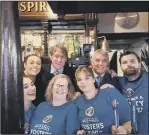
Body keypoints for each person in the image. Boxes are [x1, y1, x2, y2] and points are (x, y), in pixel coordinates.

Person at [75, 66, 131, 134]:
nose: (83, 82)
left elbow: (129, 122)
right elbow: (78, 129)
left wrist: (124, 130)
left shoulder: (110, 93)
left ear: (94, 79)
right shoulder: (77, 103)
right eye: (79, 80)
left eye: (87, 78)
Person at [119, 51, 148, 134]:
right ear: (121, 66)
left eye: (132, 61)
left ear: (139, 64)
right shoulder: (118, 82)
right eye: (124, 62)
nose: (129, 64)